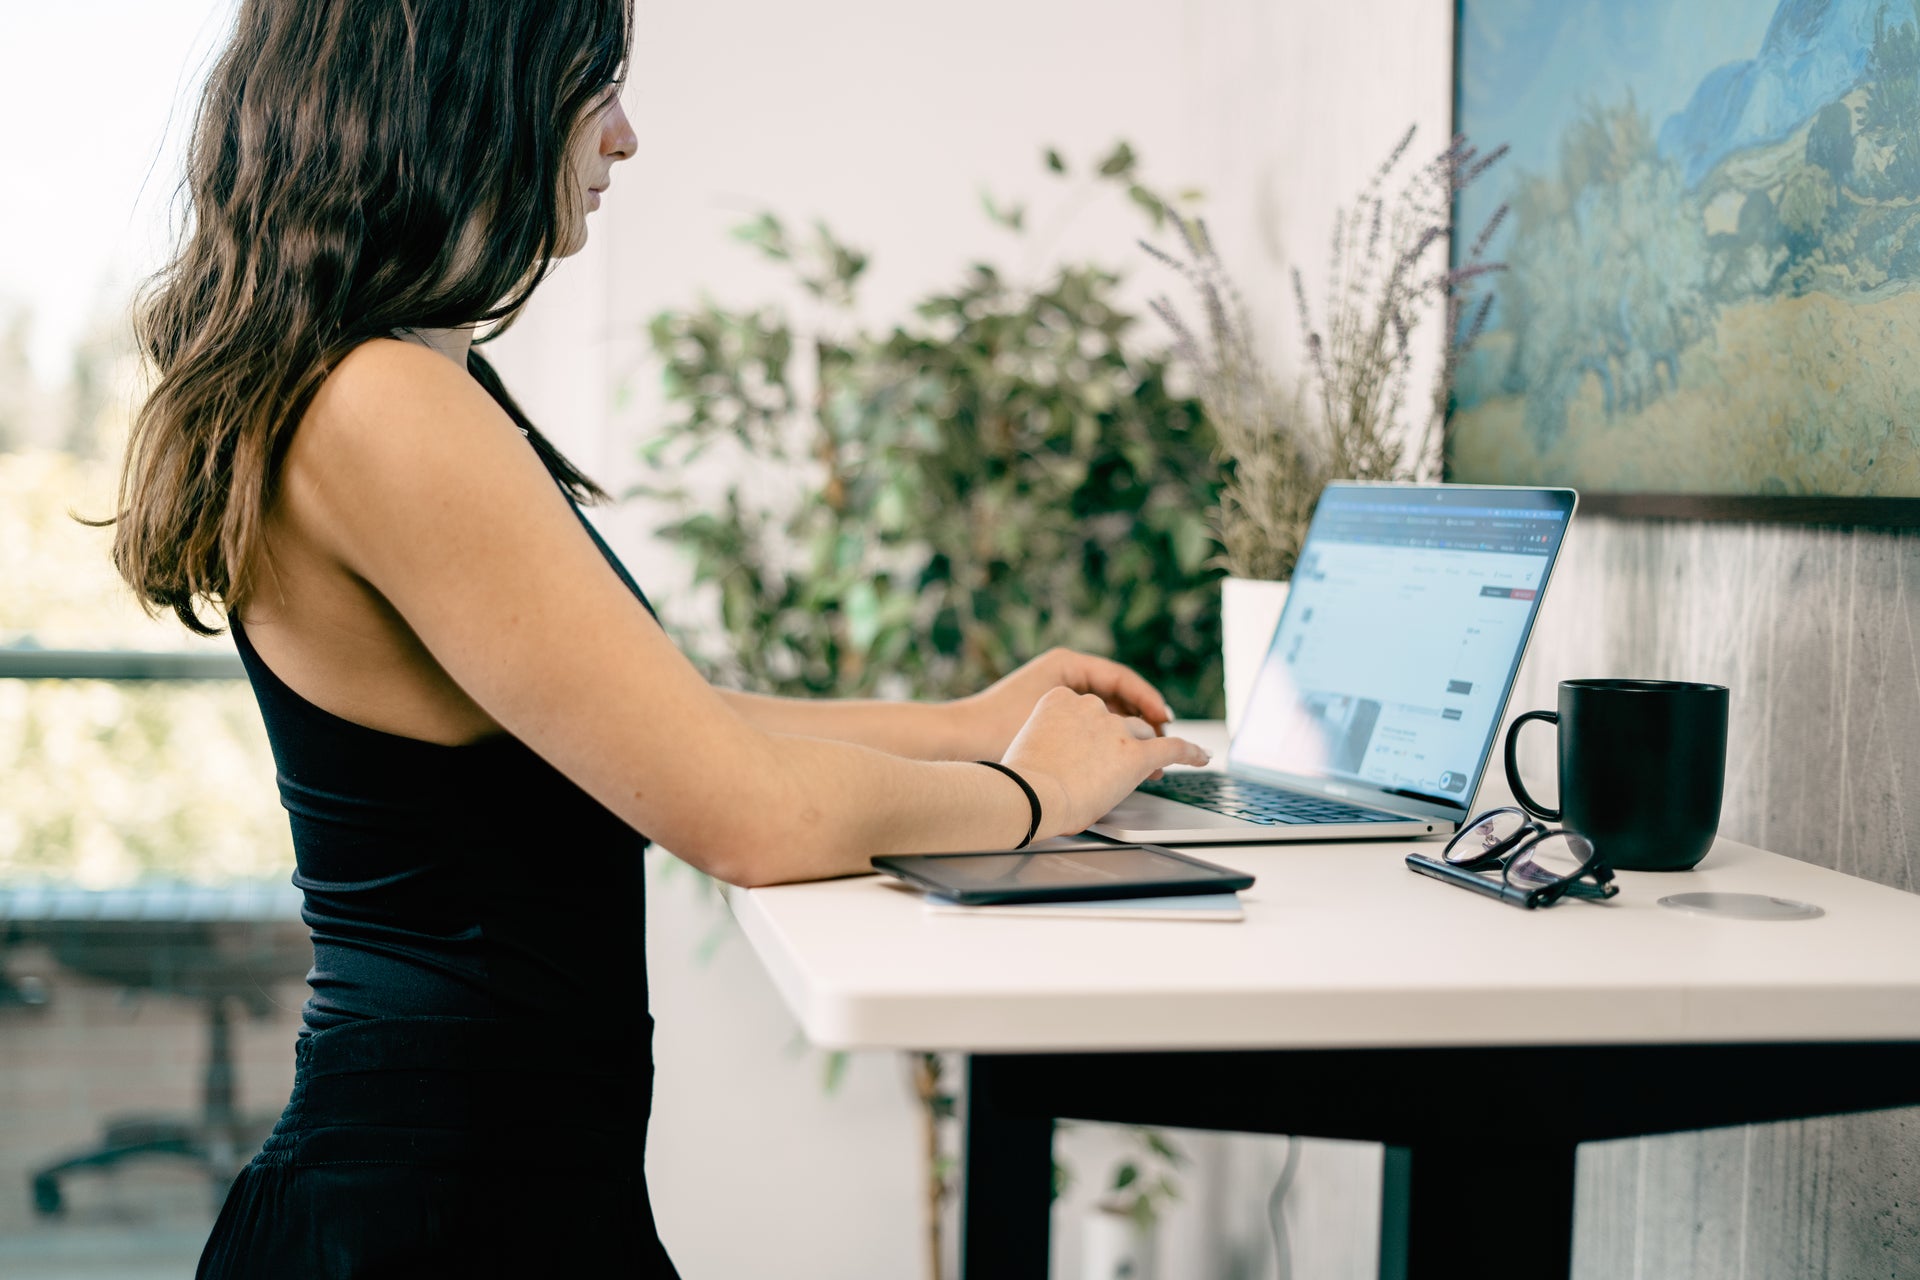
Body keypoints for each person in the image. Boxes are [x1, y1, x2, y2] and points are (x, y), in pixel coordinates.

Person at [106, 0, 1209, 1273]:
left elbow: (655, 716)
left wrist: (968, 721)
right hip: (439, 1209)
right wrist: (1031, 790)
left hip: (469, 1178)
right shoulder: (385, 403)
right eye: (592, 84)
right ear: (467, 87)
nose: (623, 136)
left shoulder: (361, 382)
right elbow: (743, 815)